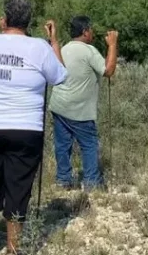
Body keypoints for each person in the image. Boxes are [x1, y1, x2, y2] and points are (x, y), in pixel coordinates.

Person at [0, 0, 67, 255]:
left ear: (3, 20)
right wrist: (53, 41)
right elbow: (60, 76)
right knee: (18, 185)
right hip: (25, 127)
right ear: (29, 21)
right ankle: (13, 249)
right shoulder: (39, 47)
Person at [49, 16, 118, 191]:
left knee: (63, 145)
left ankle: (63, 179)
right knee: (89, 145)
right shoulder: (89, 51)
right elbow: (108, 71)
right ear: (85, 31)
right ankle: (92, 182)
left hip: (59, 105)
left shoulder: (64, 48)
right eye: (91, 29)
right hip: (80, 109)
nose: (92, 32)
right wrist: (112, 44)